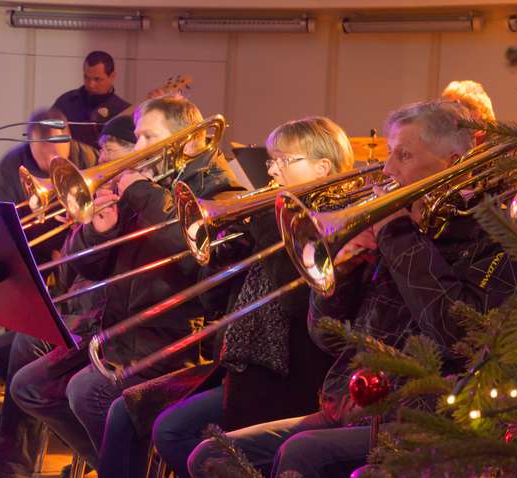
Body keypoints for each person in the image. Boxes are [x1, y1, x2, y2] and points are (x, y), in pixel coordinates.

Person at [188, 101, 517, 477]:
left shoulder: (494, 231)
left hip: (428, 417)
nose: (387, 170)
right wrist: (346, 268)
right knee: (211, 456)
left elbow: (456, 333)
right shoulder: (407, 228)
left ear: (452, 162)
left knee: (303, 454)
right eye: (390, 154)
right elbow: (328, 337)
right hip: (353, 404)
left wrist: (395, 233)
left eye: (403, 155)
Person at [96, 116, 353, 478]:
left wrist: (266, 227)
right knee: (131, 412)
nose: (273, 170)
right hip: (239, 367)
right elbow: (213, 304)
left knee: (172, 431)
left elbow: (300, 306)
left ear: (323, 167)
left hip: (292, 378)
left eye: (284, 160)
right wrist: (220, 257)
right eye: (271, 160)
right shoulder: (273, 217)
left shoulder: (331, 223)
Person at [9, 95, 242, 471]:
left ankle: (123, 466)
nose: (139, 149)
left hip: (175, 340)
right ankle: (110, 464)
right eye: (138, 137)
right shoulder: (150, 185)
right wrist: (101, 232)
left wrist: (142, 194)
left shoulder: (220, 193)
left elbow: (194, 256)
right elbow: (83, 270)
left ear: (192, 141)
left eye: (149, 137)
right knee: (29, 386)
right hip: (119, 331)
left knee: (86, 392)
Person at [0, 116, 136, 478]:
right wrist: (80, 228)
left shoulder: (140, 200)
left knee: (24, 349)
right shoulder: (103, 190)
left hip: (110, 322)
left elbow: (103, 277)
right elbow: (72, 273)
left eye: (108, 149)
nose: (100, 156)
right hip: (83, 309)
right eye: (100, 148)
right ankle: (21, 462)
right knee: (3, 353)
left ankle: (16, 465)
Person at [0, 108, 98, 268]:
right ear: (31, 143)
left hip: (81, 247)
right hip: (32, 251)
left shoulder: (89, 157)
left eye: (58, 153)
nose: (52, 161)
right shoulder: (11, 165)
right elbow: (5, 224)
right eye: (45, 153)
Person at [53, 51, 131, 148]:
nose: (91, 84)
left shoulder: (123, 110)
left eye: (97, 79)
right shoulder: (65, 102)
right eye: (86, 77)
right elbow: (48, 133)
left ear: (112, 77)